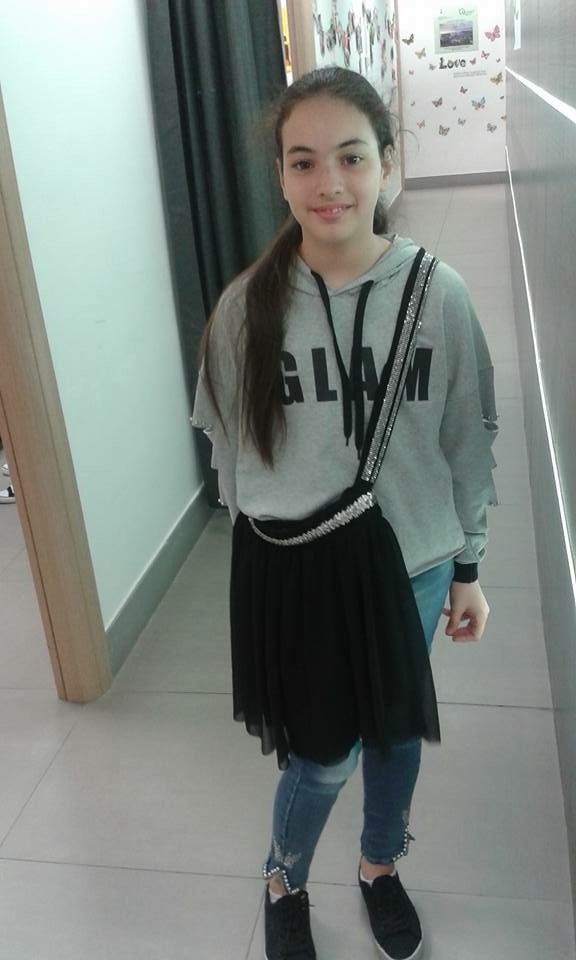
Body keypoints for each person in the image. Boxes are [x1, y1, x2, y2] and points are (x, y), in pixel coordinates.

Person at [192, 66, 497, 960]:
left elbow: (467, 439)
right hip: (301, 571)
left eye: (352, 157)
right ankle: (283, 877)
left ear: (387, 165)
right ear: (281, 177)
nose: (330, 183)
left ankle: (379, 866)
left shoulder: (439, 295)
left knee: (396, 736)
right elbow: (230, 457)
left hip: (413, 565)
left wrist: (469, 565)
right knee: (323, 754)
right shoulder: (245, 309)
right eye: (304, 161)